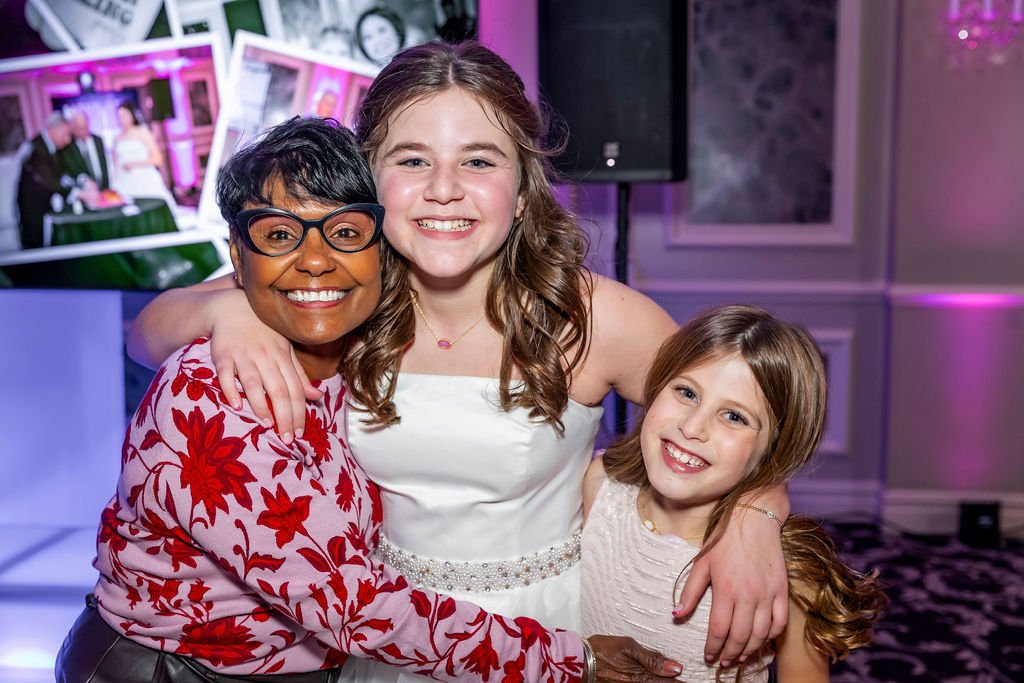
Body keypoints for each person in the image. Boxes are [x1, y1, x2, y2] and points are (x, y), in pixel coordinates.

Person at [128, 41, 792, 677]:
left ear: (524, 181)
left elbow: (739, 422)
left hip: (547, 632)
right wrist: (227, 309)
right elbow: (146, 330)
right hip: (381, 633)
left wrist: (756, 513)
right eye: (412, 161)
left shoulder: (595, 317)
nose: (444, 188)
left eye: (478, 161)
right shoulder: (336, 298)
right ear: (369, 179)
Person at [56, 116, 680, 683]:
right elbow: (351, 607)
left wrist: (756, 514)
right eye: (279, 236)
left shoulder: (351, 330)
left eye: (345, 232)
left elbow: (725, 405)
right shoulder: (215, 399)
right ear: (237, 259)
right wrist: (578, 661)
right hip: (180, 672)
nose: (316, 261)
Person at [582, 304, 889, 682]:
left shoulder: (785, 568)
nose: (693, 427)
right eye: (686, 392)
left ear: (774, 448)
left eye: (734, 417)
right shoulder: (600, 487)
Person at [15, 111, 73, 249]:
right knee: (35, 243)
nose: (67, 140)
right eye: (65, 134)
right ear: (53, 130)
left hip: (44, 205)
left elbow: (61, 174)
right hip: (32, 207)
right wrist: (75, 192)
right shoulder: (36, 148)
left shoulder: (53, 147)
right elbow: (47, 181)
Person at [111, 102, 178, 212]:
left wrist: (134, 163)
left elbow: (158, 159)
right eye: (119, 116)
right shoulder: (116, 138)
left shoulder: (143, 133)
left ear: (132, 116)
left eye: (125, 116)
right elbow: (115, 164)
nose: (122, 119)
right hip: (125, 181)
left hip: (144, 178)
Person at [62, 109, 110, 191]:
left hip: (103, 189)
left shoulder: (98, 140)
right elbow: (72, 172)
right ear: (72, 128)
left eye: (84, 127)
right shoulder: (68, 147)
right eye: (79, 128)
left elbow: (104, 166)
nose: (82, 132)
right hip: (84, 192)